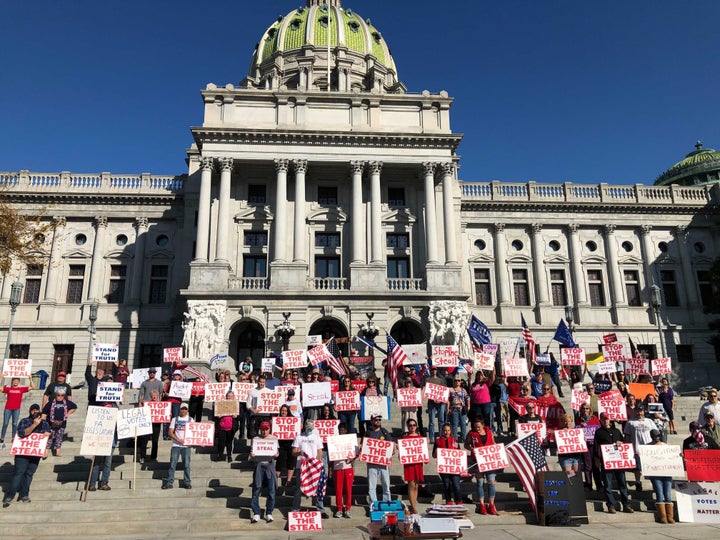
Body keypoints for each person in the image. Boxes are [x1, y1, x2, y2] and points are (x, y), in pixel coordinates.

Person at [2, 403, 50, 507]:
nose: (35, 412)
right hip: (22, 454)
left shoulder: (45, 424)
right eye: (33, 410)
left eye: (37, 410)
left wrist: (46, 445)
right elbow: (22, 433)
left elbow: (47, 436)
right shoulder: (25, 421)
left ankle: (24, 494)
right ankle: (10, 495)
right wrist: (34, 425)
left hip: (35, 454)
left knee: (29, 474)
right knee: (18, 473)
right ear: (30, 411)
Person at [594, 412, 634, 514]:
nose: (606, 421)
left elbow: (623, 443)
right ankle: (611, 505)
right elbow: (595, 446)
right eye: (604, 419)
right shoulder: (598, 432)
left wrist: (621, 443)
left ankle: (626, 504)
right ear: (601, 421)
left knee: (622, 484)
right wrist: (597, 459)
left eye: (607, 419)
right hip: (606, 461)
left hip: (619, 462)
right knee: (607, 485)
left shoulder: (616, 431)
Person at [291, 419, 328, 518]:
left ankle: (320, 509)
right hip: (301, 466)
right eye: (308, 428)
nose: (309, 430)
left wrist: (319, 461)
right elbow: (293, 452)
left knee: (317, 487)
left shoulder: (316, 437)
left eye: (311, 429)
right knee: (299, 487)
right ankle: (295, 508)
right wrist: (300, 453)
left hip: (313, 467)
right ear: (304, 428)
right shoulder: (299, 437)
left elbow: (319, 450)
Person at [465, 416, 498, 515]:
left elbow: (493, 442)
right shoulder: (472, 433)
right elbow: (466, 444)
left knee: (491, 482)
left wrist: (497, 449)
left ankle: (491, 504)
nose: (477, 429)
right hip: (478, 461)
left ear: (483, 425)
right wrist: (471, 448)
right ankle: (482, 505)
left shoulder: (489, 432)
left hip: (489, 460)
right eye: (476, 427)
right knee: (480, 483)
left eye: (479, 427)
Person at [249, 421, 279, 523]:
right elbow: (252, 454)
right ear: (260, 429)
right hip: (259, 465)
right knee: (256, 489)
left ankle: (269, 512)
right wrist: (252, 455)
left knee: (271, 491)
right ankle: (256, 513)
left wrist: (276, 455)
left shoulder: (274, 439)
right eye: (262, 429)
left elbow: (276, 452)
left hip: (270, 465)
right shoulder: (256, 439)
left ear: (269, 429)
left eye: (266, 429)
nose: (264, 431)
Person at [624, 404, 656, 492]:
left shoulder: (649, 421)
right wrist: (628, 449)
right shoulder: (630, 422)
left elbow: (656, 434)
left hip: (649, 449)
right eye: (637, 411)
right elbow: (627, 436)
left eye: (641, 411)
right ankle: (638, 482)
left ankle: (654, 484)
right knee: (637, 469)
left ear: (644, 411)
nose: (639, 413)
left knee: (651, 468)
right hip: (637, 449)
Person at [645, 429, 675, 524]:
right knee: (659, 493)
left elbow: (672, 457)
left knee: (668, 494)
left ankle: (670, 516)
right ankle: (663, 516)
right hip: (655, 474)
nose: (656, 438)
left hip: (667, 472)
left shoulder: (666, 446)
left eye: (657, 436)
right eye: (654, 436)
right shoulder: (647, 447)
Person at [163, 402, 194, 489]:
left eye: (185, 409)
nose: (183, 410)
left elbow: (194, 433)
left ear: (187, 410)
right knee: (172, 464)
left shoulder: (191, 419)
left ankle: (187, 482)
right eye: (182, 409)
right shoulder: (175, 419)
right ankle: (169, 482)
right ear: (179, 409)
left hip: (186, 446)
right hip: (176, 445)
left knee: (187, 465)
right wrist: (178, 440)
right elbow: (170, 432)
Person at [88, 402, 118, 491]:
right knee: (96, 462)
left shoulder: (116, 408)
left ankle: (104, 482)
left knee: (107, 464)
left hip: (111, 441)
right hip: (99, 441)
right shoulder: (97, 409)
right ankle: (92, 483)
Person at [365, 413, 393, 505]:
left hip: (383, 464)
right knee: (371, 487)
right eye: (376, 420)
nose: (378, 421)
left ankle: (387, 504)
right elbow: (364, 446)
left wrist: (391, 452)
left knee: (386, 486)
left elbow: (391, 445)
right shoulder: (368, 433)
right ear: (371, 420)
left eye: (379, 420)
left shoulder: (384, 432)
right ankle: (373, 505)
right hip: (372, 464)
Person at [41, 389, 77, 457]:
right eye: (58, 395)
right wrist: (42, 421)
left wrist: (67, 414)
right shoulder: (51, 403)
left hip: (61, 424)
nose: (60, 397)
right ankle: (45, 452)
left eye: (62, 395)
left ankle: (58, 451)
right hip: (51, 423)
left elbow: (74, 407)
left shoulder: (67, 402)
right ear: (56, 395)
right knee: (49, 437)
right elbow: (44, 412)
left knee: (59, 437)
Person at [332, 421, 357, 518]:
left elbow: (356, 453)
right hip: (337, 467)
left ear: (346, 431)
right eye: (340, 430)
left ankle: (348, 508)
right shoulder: (335, 440)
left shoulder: (350, 440)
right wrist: (330, 468)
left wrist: (352, 458)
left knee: (348, 489)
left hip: (348, 468)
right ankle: (339, 508)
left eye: (343, 430)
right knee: (338, 489)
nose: (341, 432)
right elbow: (331, 455)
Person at [433, 422, 462, 505]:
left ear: (451, 431)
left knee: (456, 485)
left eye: (448, 430)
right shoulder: (438, 441)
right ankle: (448, 501)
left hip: (454, 467)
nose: (447, 432)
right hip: (443, 467)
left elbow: (459, 452)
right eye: (445, 430)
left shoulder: (454, 440)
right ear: (442, 431)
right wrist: (436, 452)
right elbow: (434, 455)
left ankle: (459, 501)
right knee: (446, 484)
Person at [402, 418, 426, 514]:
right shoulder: (405, 439)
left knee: (416, 485)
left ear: (416, 426)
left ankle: (413, 505)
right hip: (409, 465)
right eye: (410, 425)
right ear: (408, 427)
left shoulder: (420, 438)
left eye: (414, 425)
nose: (412, 427)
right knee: (411, 485)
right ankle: (413, 507)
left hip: (418, 464)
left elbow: (424, 451)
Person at [575, 403, 602, 491]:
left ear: (590, 410)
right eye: (583, 408)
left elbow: (599, 430)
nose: (585, 410)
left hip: (594, 445)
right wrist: (580, 427)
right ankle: (588, 484)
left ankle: (599, 485)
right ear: (581, 410)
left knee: (596, 466)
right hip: (585, 446)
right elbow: (576, 431)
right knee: (587, 466)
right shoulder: (578, 419)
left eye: (587, 408)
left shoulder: (594, 418)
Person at [1, 376, 34, 445]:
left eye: (17, 381)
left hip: (16, 409)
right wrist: (1, 378)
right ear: (12, 381)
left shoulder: (21, 389)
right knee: (5, 423)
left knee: (15, 424)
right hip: (8, 408)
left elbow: (32, 387)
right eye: (14, 380)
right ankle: (2, 438)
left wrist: (30, 379)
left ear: (19, 382)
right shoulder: (8, 389)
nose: (15, 382)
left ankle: (13, 437)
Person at [275, 404, 297, 488]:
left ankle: (289, 480)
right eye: (282, 410)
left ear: (288, 412)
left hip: (291, 444)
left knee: (291, 462)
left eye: (285, 411)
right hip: (281, 445)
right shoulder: (276, 420)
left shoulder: (293, 420)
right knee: (279, 462)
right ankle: (275, 479)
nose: (284, 412)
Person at [138, 390, 163, 463]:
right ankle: (142, 457)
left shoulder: (161, 404)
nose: (154, 396)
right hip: (147, 424)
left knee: (155, 441)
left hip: (157, 424)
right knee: (144, 441)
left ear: (157, 396)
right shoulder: (147, 404)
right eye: (153, 395)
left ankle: (153, 457)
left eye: (155, 395)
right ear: (151, 396)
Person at [214, 390, 238, 462]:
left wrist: (236, 416)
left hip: (231, 427)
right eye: (228, 396)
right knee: (221, 442)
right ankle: (220, 455)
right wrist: (218, 415)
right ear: (226, 397)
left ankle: (229, 456)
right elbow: (215, 415)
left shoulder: (236, 404)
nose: (229, 397)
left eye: (231, 396)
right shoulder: (221, 404)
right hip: (222, 427)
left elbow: (240, 416)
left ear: (233, 397)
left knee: (229, 442)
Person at [557, 413, 580, 477]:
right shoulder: (559, 432)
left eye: (569, 421)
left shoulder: (576, 431)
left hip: (575, 457)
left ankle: (575, 487)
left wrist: (583, 438)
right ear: (562, 422)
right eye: (565, 421)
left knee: (576, 476)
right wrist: (562, 433)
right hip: (565, 458)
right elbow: (557, 444)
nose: (567, 423)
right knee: (569, 477)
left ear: (572, 422)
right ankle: (570, 487)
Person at [448, 376, 470, 444]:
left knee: (463, 423)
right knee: (454, 424)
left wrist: (468, 406)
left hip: (462, 409)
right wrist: (448, 408)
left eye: (458, 380)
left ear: (460, 382)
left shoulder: (463, 390)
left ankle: (464, 438)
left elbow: (467, 398)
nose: (457, 382)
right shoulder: (450, 389)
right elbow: (448, 399)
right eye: (456, 380)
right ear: (453, 381)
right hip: (454, 409)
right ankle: (455, 438)